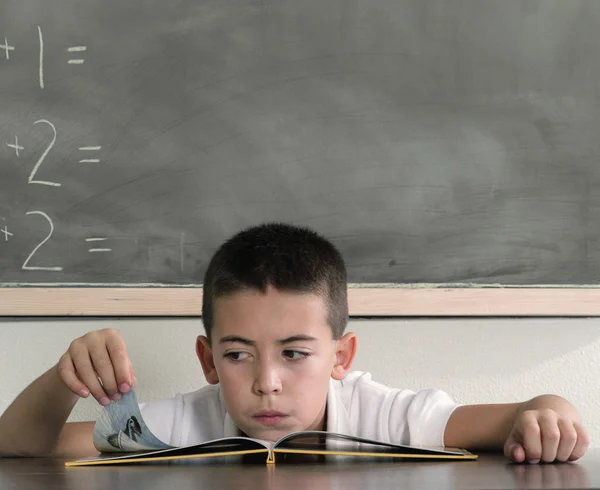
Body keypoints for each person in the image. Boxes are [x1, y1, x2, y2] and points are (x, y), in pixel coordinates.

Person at [0, 223, 590, 463]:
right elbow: (21, 447)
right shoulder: (176, 426)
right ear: (207, 360)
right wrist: (62, 377)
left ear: (342, 357)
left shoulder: (382, 414)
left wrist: (550, 416)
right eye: (236, 354)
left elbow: (526, 412)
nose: (266, 381)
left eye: (295, 352)